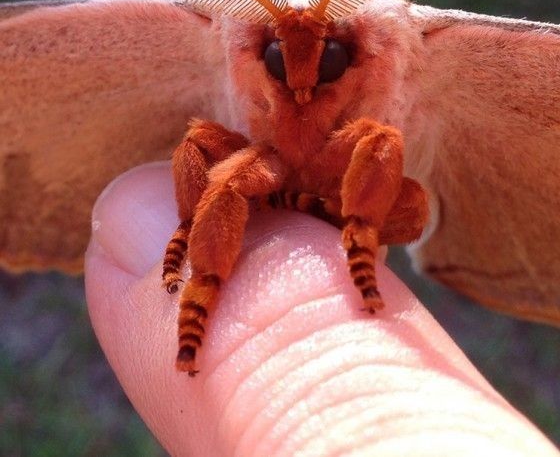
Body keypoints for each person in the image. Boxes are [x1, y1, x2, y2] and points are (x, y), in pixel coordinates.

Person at [85, 163, 559, 457]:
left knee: (406, 193)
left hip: (338, 176)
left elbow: (394, 176)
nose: (304, 87)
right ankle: (196, 282)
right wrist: (191, 223)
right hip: (262, 170)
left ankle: (350, 237)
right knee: (217, 167)